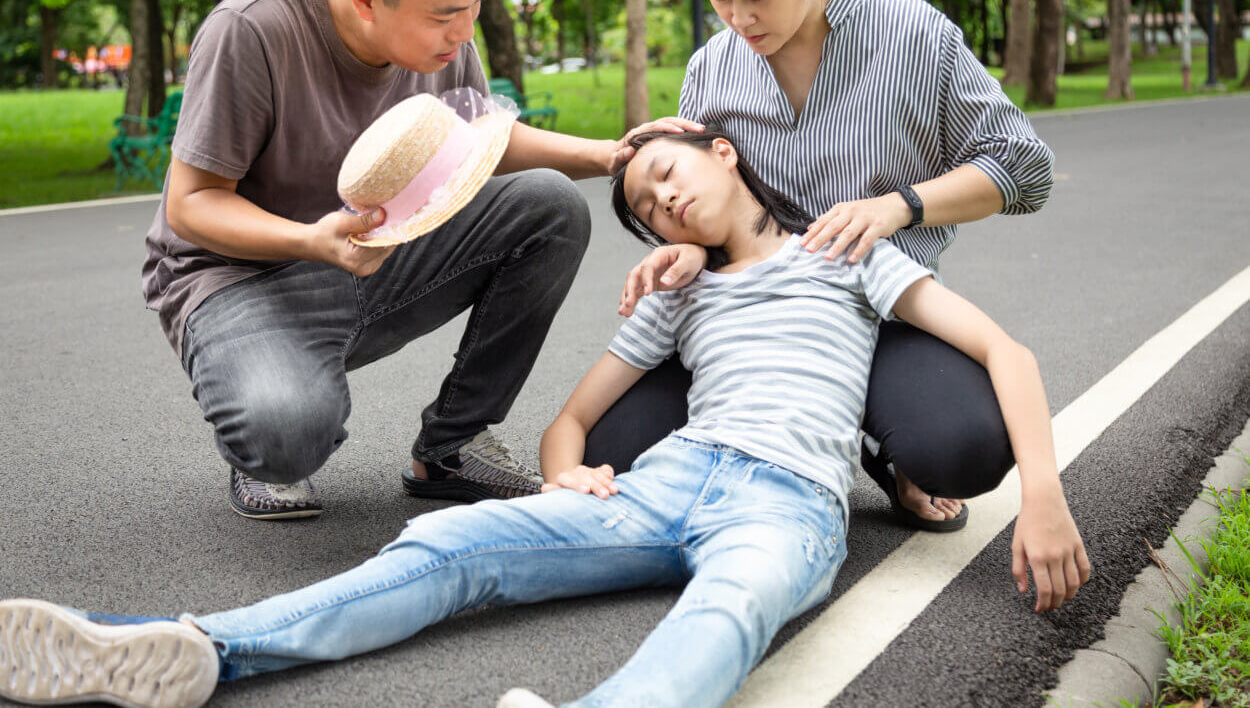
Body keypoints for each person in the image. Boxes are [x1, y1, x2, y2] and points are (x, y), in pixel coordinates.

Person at [0, 129, 1090, 708]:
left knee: (725, 614)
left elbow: (1003, 351)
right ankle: (199, 650)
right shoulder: (676, 291)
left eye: (666, 175)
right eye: (646, 207)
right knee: (448, 541)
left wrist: (1040, 495)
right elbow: (573, 423)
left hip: (789, 503)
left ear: (722, 152)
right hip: (669, 481)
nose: (661, 203)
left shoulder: (846, 253)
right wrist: (565, 470)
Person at [142, 0, 693, 519]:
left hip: (370, 252)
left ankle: (453, 443)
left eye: (476, 5)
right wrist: (309, 241)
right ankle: (272, 414)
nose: (464, 31)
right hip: (239, 277)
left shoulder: (441, 29)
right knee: (288, 435)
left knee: (548, 205)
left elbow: (479, 142)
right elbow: (192, 203)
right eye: (445, 16)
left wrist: (608, 155)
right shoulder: (252, 31)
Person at [589, 0, 1056, 532]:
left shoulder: (913, 35)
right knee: (612, 451)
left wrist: (899, 207)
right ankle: (804, 437)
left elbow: (1024, 167)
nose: (738, 19)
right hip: (752, 319)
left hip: (882, 308)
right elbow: (703, 195)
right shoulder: (712, 68)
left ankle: (879, 447)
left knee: (963, 448)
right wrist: (688, 249)